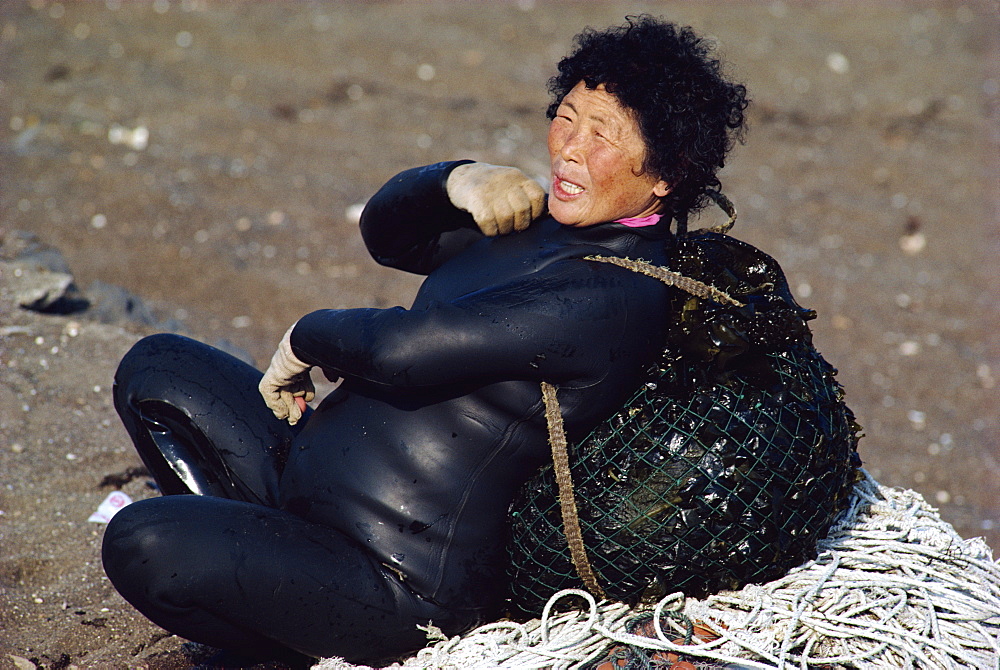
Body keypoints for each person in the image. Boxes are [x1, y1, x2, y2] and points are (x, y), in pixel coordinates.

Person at [102, 15, 748, 667]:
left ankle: (277, 638)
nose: (569, 149)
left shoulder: (613, 296)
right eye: (568, 117)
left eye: (601, 134)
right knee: (157, 368)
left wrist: (304, 338)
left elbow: (404, 354)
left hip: (395, 584)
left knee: (144, 543)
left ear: (666, 174)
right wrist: (457, 180)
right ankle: (264, 586)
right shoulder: (546, 222)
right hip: (308, 497)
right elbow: (389, 238)